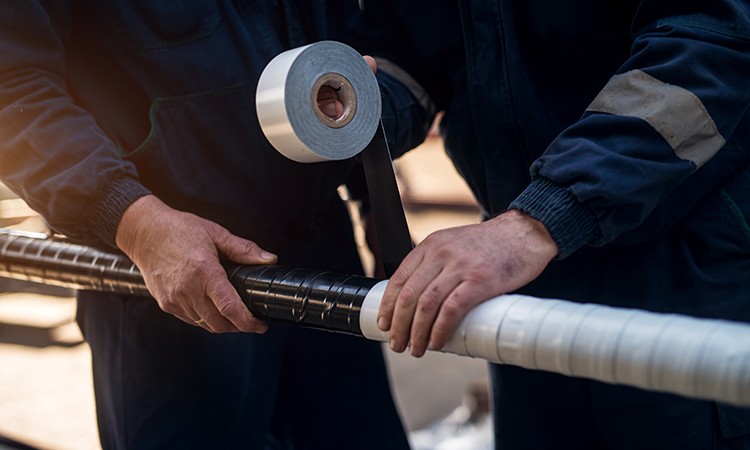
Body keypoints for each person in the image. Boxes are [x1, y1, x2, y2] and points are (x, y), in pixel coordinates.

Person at [0, 2, 409, 449]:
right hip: (168, 266)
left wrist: (372, 193)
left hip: (323, 248)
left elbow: (347, 38)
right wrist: (133, 221)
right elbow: (11, 82)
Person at [349, 1, 750, 448]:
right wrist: (363, 103)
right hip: (521, 277)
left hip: (687, 261)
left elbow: (707, 48)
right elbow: (409, 53)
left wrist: (541, 219)